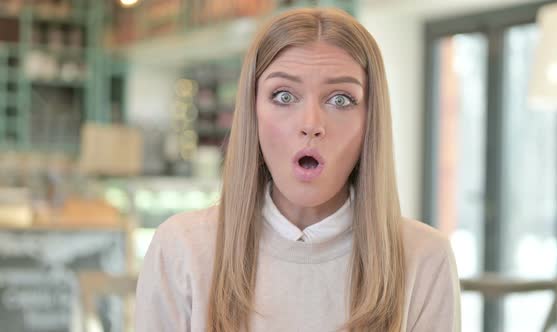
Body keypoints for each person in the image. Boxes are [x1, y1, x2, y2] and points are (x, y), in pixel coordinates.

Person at [135, 7, 461, 332]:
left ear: (370, 121)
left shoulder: (424, 257)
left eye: (341, 99)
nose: (311, 125)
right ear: (253, 112)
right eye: (284, 95)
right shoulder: (182, 248)